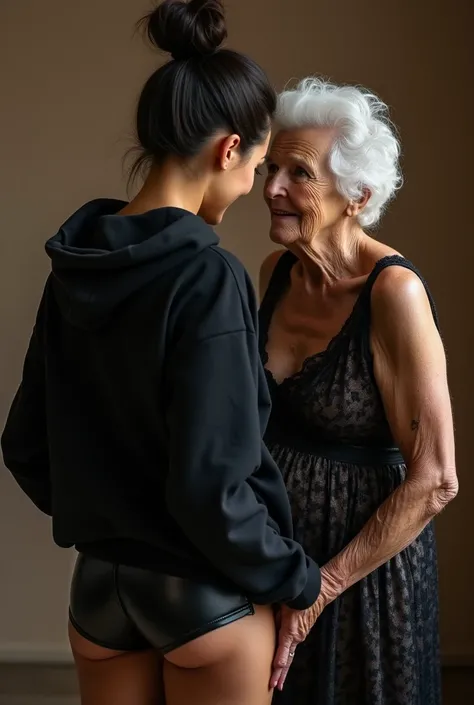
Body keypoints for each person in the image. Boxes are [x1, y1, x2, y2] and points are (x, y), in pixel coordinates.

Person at [0, 4, 322, 704]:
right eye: (259, 165)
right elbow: (214, 484)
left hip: (98, 591)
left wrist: (113, 514)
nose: (254, 189)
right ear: (227, 149)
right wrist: (299, 578)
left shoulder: (74, 267)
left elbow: (25, 443)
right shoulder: (209, 275)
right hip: (203, 597)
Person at [258, 78, 458, 705]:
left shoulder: (393, 293)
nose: (271, 189)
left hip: (361, 582)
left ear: (357, 196)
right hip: (277, 564)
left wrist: (322, 588)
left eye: (299, 173)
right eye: (270, 168)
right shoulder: (276, 273)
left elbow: (436, 479)